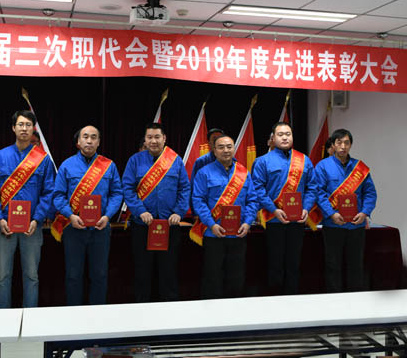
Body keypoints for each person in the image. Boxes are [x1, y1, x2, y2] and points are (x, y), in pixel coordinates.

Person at [0, 110, 55, 308]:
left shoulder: (43, 159)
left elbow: (49, 192)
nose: (24, 128)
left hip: (32, 226)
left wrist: (37, 219)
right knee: (2, 276)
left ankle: (30, 317)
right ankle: (2, 319)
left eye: (28, 125)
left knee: (32, 275)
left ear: (33, 129)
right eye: (21, 124)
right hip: (3, 225)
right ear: (13, 128)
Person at [52, 125, 123, 305]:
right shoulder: (67, 165)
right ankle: (74, 314)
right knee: (73, 275)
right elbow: (58, 196)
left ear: (98, 142)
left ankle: (97, 315)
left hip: (100, 228)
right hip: (73, 228)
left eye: (93, 137)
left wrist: (107, 216)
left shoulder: (109, 166)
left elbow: (117, 194)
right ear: (78, 142)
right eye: (85, 137)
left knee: (99, 275)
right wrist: (70, 215)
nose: (89, 140)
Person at [122, 123, 190, 302]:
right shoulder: (135, 161)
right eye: (150, 137)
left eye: (157, 137)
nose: (153, 141)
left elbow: (184, 188)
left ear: (164, 138)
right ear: (145, 140)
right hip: (142, 225)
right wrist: (140, 211)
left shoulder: (175, 160)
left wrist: (179, 212)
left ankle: (169, 308)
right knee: (142, 271)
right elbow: (127, 189)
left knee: (169, 270)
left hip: (169, 225)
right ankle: (142, 308)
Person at [251, 122, 317, 295]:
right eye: (280, 134)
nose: (285, 137)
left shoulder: (304, 160)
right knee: (275, 263)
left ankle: (292, 298)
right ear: (273, 138)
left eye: (288, 134)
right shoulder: (262, 161)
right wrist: (274, 210)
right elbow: (258, 189)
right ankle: (275, 298)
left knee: (294, 263)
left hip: (297, 220)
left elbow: (312, 188)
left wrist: (306, 208)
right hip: (274, 220)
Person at [191, 134, 258, 299]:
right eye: (221, 147)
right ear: (214, 150)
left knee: (236, 276)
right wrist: (211, 224)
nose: (226, 150)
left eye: (229, 146)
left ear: (234, 149)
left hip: (238, 233)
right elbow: (198, 201)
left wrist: (248, 223)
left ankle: (234, 310)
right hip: (214, 233)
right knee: (213, 276)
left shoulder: (243, 173)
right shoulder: (204, 173)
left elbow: (252, 200)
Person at [314, 128, 377, 292]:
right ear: (333, 145)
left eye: (346, 143)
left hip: (356, 225)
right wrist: (331, 214)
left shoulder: (360, 168)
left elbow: (370, 193)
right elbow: (319, 194)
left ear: (351, 145)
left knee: (356, 265)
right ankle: (335, 300)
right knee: (333, 265)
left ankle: (355, 299)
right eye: (339, 142)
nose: (343, 146)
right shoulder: (323, 166)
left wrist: (364, 212)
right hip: (333, 225)